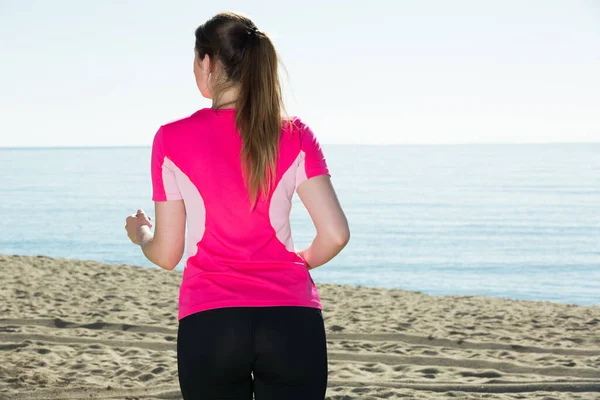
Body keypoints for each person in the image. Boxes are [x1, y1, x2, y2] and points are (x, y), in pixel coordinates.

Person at [125, 11, 350, 400]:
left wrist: (140, 233)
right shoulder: (295, 133)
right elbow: (335, 235)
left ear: (207, 63)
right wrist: (295, 262)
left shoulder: (171, 137)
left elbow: (166, 253)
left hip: (211, 322)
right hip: (292, 320)